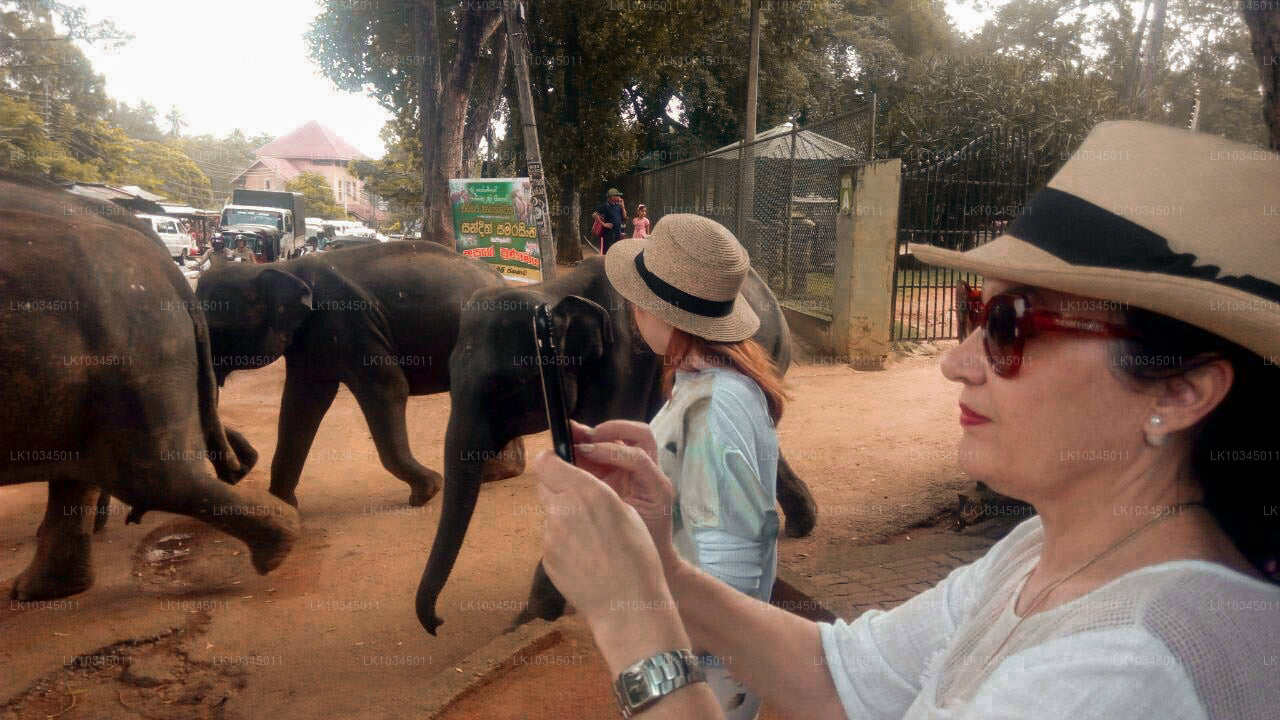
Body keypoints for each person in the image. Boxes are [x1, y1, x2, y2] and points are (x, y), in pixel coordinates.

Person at [531, 120, 1280, 719]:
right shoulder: (1039, 552)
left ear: (1179, 393)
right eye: (972, 311)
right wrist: (660, 571)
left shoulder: (1129, 671)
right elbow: (843, 678)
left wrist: (637, 631)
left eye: (1012, 324)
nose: (957, 361)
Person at [592, 213, 784, 719]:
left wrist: (660, 674)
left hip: (703, 677)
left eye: (641, 300)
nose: (634, 310)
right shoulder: (706, 383)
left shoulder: (713, 404)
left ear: (664, 313)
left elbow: (729, 573)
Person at [592, 188, 627, 254]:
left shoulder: (618, 206)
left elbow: (624, 217)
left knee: (617, 252)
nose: (619, 197)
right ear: (611, 196)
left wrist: (622, 206)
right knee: (608, 252)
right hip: (608, 234)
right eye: (617, 195)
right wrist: (603, 224)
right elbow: (594, 215)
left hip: (617, 232)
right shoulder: (605, 206)